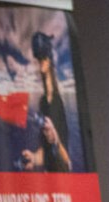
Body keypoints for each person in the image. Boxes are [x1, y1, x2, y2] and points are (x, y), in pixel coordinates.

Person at [20, 32, 72, 172]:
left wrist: (56, 140)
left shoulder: (57, 103)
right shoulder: (43, 102)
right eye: (39, 59)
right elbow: (47, 153)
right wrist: (34, 158)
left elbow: (67, 162)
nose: (40, 63)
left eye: (43, 58)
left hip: (63, 185)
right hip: (48, 182)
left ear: (49, 60)